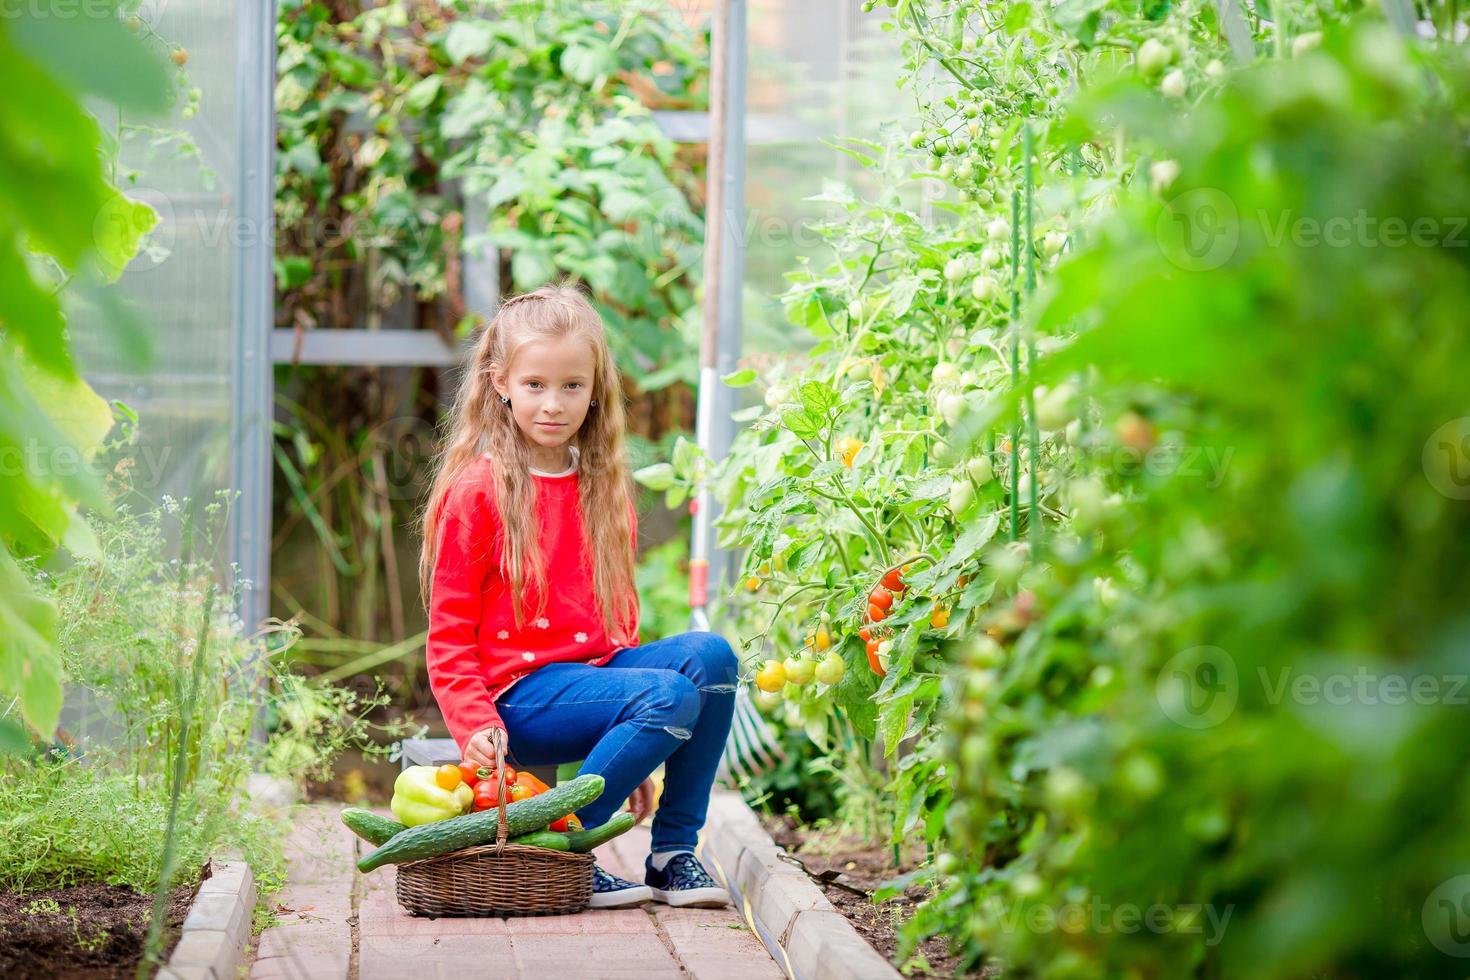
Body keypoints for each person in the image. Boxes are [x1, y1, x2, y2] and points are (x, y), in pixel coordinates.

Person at [419, 282, 736, 909]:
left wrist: (641, 743)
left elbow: (617, 627)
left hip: (588, 683)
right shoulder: (478, 491)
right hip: (515, 704)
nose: (553, 403)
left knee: (712, 659)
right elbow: (450, 635)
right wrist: (473, 723)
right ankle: (559, 850)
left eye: (572, 386)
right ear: (501, 382)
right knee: (667, 693)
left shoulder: (600, 487)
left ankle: (673, 856)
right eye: (535, 384)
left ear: (595, 390)